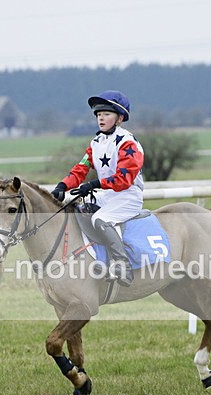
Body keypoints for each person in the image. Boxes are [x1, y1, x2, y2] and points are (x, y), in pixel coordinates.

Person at [51, 90, 144, 286]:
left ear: (120, 118)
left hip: (128, 196)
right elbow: (80, 169)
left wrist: (94, 184)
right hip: (108, 195)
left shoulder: (128, 143)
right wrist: (62, 186)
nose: (101, 118)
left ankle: (122, 265)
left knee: (100, 219)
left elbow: (124, 179)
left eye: (106, 114)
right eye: (98, 114)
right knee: (75, 208)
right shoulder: (96, 142)